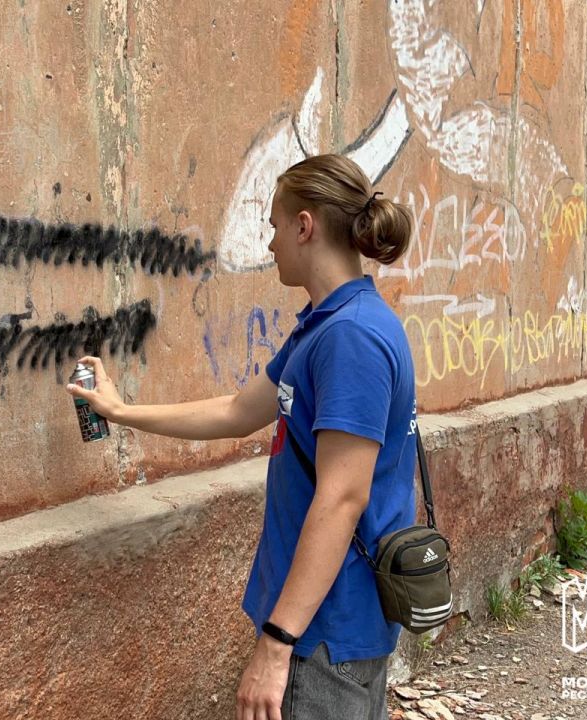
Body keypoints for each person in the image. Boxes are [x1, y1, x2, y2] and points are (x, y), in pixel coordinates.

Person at [66, 153, 417, 720]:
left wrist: (277, 644)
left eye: (274, 226)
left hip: (325, 633)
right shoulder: (327, 324)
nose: (271, 243)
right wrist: (120, 411)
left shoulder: (351, 338)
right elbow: (236, 411)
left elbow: (342, 498)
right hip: (321, 624)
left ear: (304, 226)